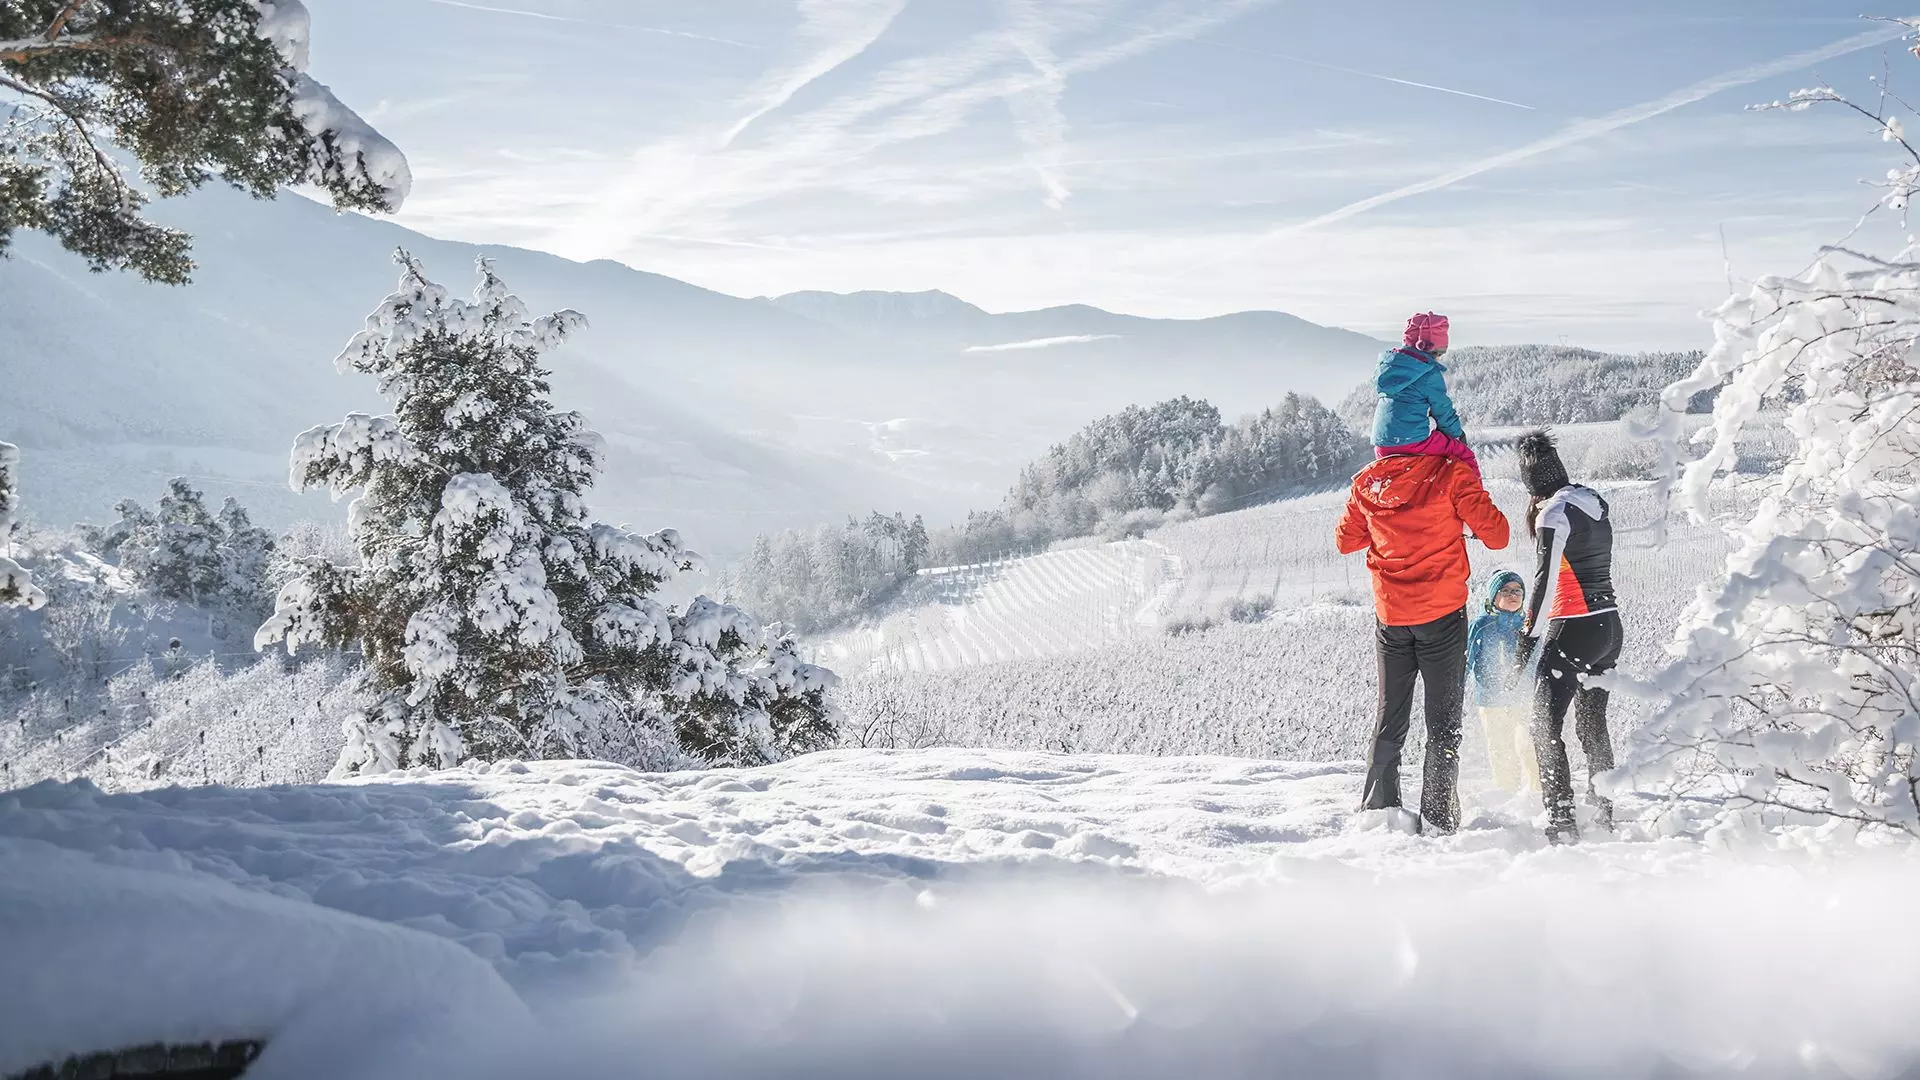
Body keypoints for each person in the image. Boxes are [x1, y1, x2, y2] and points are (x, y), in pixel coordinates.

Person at [1336, 446, 1510, 834]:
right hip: (1442, 616)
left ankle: (1378, 809)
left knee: (1390, 715)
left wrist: (1385, 526)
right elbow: (1497, 535)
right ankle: (1439, 816)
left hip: (1392, 618)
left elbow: (1346, 541)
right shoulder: (1449, 474)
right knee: (1443, 721)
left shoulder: (1368, 483)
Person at [1514, 430, 1622, 844]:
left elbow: (1542, 583)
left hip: (1575, 626)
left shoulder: (1553, 514)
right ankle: (1602, 810)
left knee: (1543, 724)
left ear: (1532, 488)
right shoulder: (1592, 504)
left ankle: (1561, 819)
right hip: (1610, 627)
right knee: (1593, 723)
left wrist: (1528, 637)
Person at [1372, 312, 1481, 475]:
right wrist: (1457, 434)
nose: (1438, 359)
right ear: (1428, 349)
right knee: (1463, 454)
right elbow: (1443, 410)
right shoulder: (1428, 373)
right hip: (1412, 442)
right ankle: (1475, 500)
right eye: (1439, 354)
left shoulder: (1389, 369)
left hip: (1381, 445)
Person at [1466, 570, 1539, 793]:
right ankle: (1506, 795)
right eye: (1505, 590)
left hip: (1523, 699)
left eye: (1517, 590)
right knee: (1500, 750)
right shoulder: (1482, 625)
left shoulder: (1529, 626)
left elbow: (1540, 661)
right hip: (1490, 701)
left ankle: (1536, 795)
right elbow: (1465, 660)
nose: (1512, 594)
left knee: (1528, 746)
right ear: (1493, 597)